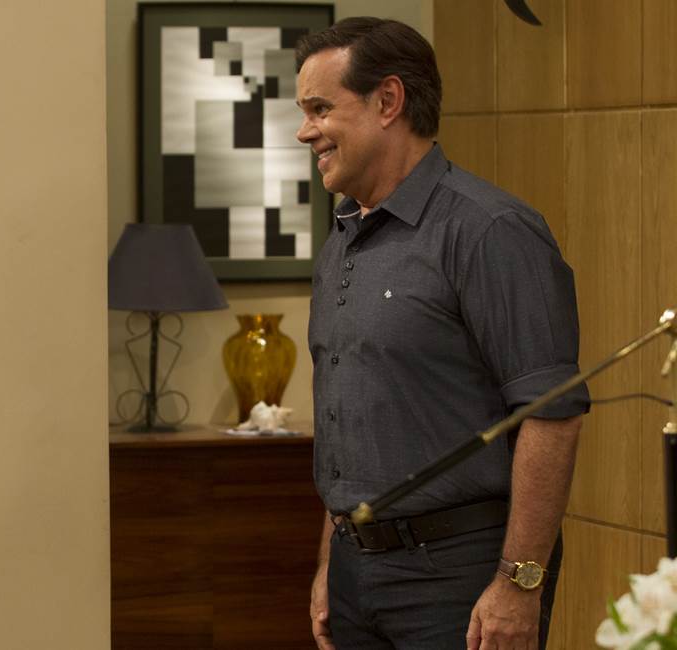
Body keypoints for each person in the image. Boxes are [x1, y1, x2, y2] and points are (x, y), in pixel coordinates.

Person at [295, 17, 588, 650]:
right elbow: (348, 421)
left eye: (320, 109)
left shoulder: (492, 231)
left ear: (388, 102)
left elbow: (552, 415)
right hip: (354, 574)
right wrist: (329, 564)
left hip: (461, 578)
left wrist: (520, 583)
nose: (305, 130)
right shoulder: (341, 238)